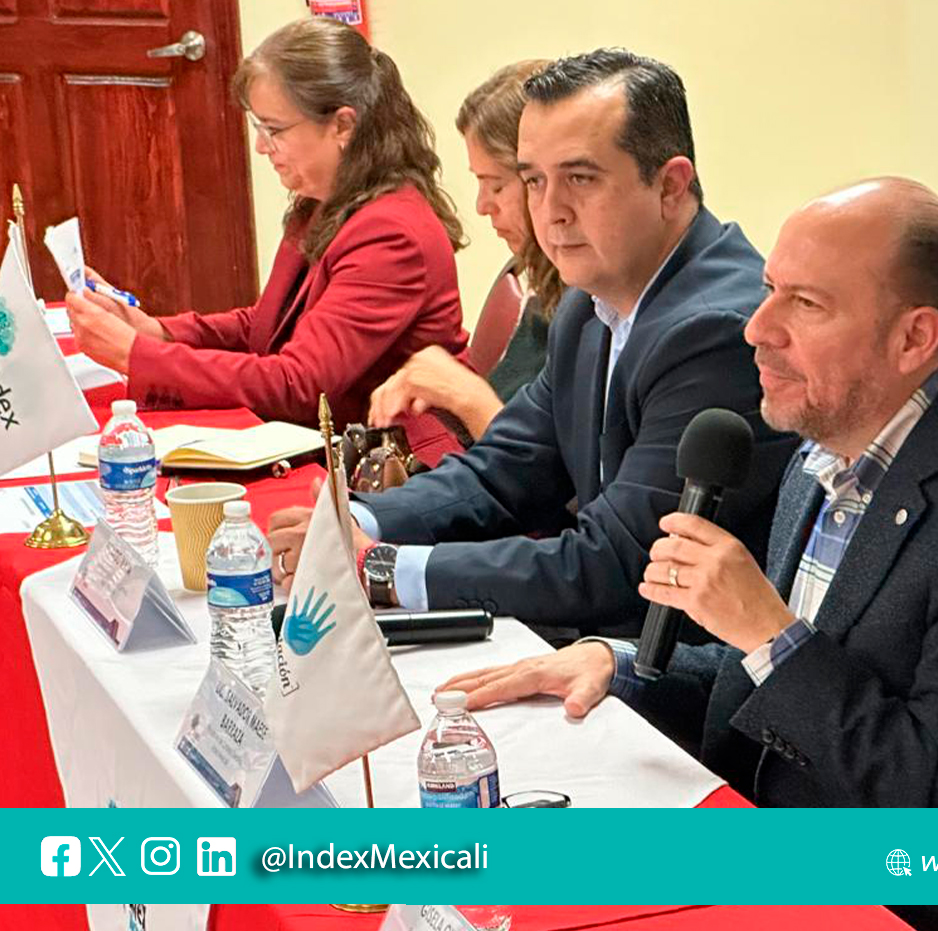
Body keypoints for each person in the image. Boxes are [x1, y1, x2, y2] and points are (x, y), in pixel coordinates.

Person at [440, 178, 938, 931]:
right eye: (769, 291)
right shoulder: (825, 454)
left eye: (806, 304)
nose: (758, 328)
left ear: (914, 339)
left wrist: (767, 631)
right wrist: (620, 664)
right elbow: (772, 679)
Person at [266, 48, 795, 639]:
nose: (550, 211)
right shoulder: (588, 304)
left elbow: (620, 563)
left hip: (674, 667)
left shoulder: (714, 332)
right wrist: (355, 521)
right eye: (535, 181)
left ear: (670, 186)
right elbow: (505, 470)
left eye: (580, 179)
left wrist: (382, 568)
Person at [63, 17, 468, 428]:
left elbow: (301, 386)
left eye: (273, 129)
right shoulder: (324, 202)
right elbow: (268, 326)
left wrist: (135, 355)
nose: (260, 146)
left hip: (391, 457)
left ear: (343, 125)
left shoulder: (391, 235)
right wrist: (158, 333)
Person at [369, 59, 565, 443]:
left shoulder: (589, 297)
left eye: (496, 186)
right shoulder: (545, 281)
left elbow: (543, 465)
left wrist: (465, 396)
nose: (481, 205)